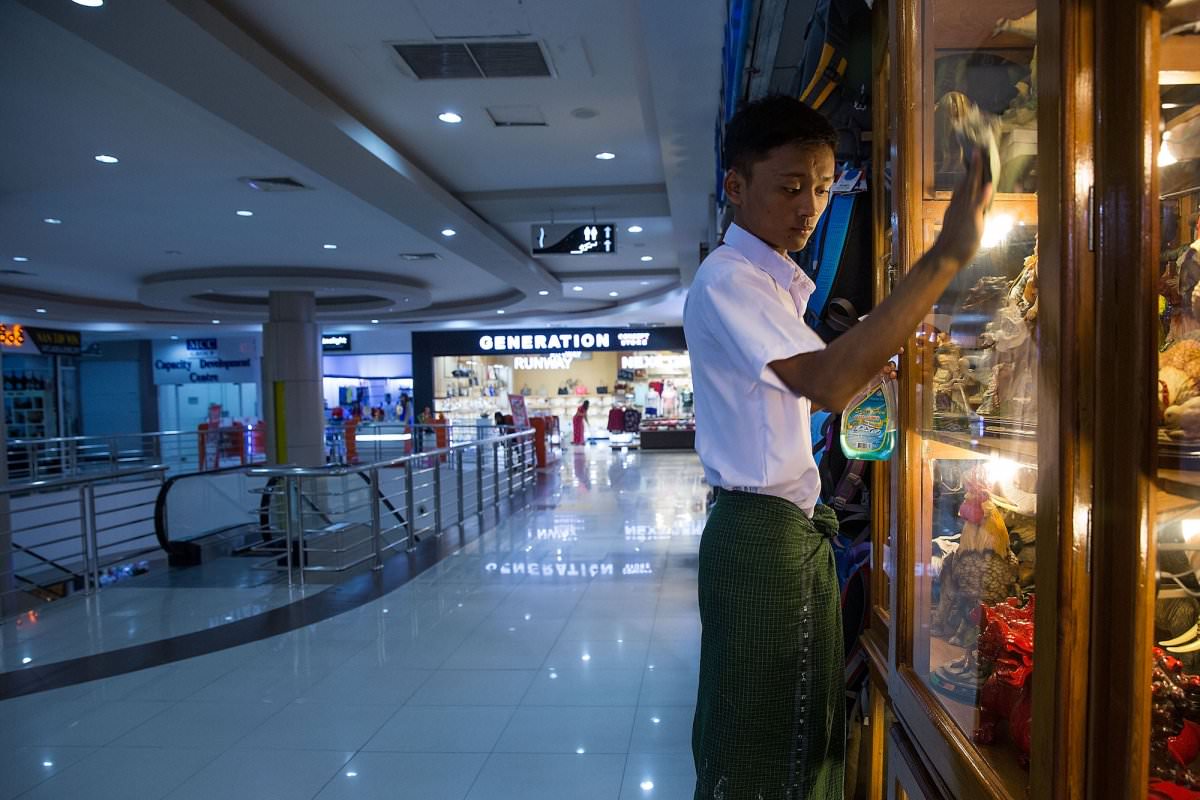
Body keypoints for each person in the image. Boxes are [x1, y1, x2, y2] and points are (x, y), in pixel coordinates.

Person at [684, 95, 990, 799]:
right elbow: (825, 383)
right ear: (736, 186)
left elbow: (823, 383)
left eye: (822, 188)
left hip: (775, 530)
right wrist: (944, 257)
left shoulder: (771, 285)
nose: (810, 206)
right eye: (790, 186)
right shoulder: (732, 279)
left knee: (786, 728)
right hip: (762, 537)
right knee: (771, 743)